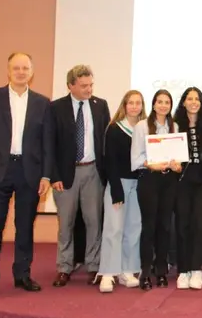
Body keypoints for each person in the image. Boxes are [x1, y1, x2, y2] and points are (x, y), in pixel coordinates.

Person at [0, 52, 53, 300]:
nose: (20, 72)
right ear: (8, 71)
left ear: (32, 72)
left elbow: (47, 143)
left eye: (25, 68)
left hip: (29, 172)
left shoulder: (42, 103)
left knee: (25, 227)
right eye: (16, 68)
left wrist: (46, 176)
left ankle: (22, 274)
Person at [50, 65, 110, 287]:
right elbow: (49, 144)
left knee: (94, 221)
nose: (89, 89)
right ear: (71, 86)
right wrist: (53, 175)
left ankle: (94, 265)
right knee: (65, 223)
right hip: (66, 174)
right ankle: (64, 267)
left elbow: (106, 140)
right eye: (84, 86)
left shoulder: (100, 105)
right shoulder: (56, 108)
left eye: (91, 85)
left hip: (93, 171)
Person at [131, 89, 182, 291]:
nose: (163, 105)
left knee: (165, 227)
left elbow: (178, 159)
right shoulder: (142, 126)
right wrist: (151, 164)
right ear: (153, 104)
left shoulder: (175, 126)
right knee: (149, 227)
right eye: (159, 102)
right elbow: (135, 158)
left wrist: (177, 166)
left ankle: (161, 271)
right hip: (149, 180)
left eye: (167, 102)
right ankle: (145, 272)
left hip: (169, 181)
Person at [97, 90, 146, 293]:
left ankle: (128, 270)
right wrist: (116, 189)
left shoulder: (145, 129)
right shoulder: (115, 129)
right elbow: (109, 161)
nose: (134, 106)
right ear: (124, 105)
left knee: (133, 229)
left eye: (138, 103)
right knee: (113, 229)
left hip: (138, 185)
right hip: (119, 184)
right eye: (130, 103)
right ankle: (108, 273)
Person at [172, 87, 202, 290]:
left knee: (201, 225)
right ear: (183, 102)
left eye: (197, 99)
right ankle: (183, 270)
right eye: (190, 98)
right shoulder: (174, 125)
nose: (194, 102)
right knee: (182, 225)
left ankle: (196, 269)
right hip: (181, 182)